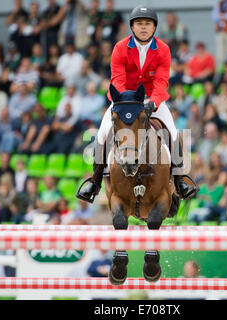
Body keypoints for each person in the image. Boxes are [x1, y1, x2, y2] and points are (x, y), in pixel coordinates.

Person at [77, 5, 196, 203]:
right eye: (139, 24)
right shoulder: (120, 48)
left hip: (151, 99)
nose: (143, 27)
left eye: (147, 24)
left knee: (173, 134)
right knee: (101, 134)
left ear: (154, 27)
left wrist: (154, 103)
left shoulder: (163, 50)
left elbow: (161, 81)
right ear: (132, 27)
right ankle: (95, 182)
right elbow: (117, 79)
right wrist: (125, 102)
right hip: (124, 100)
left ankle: (179, 179)